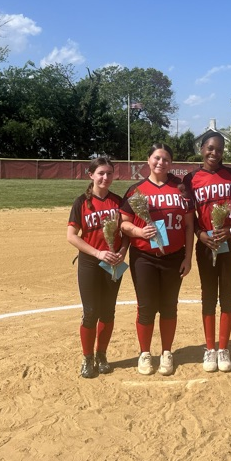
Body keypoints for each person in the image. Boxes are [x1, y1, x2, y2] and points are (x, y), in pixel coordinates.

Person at [120, 143, 194, 376]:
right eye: (156, 158)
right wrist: (139, 232)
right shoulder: (136, 190)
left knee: (169, 306)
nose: (161, 163)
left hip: (174, 257)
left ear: (171, 163)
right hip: (144, 257)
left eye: (165, 159)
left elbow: (190, 226)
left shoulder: (181, 190)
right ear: (148, 160)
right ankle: (144, 353)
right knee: (146, 307)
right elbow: (123, 223)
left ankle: (166, 352)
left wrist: (188, 258)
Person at [183, 132, 231, 372]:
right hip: (206, 244)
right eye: (210, 148)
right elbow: (188, 217)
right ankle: (210, 348)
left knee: (228, 294)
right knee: (208, 295)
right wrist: (200, 234)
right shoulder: (191, 179)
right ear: (201, 149)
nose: (215, 153)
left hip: (230, 244)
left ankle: (224, 348)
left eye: (219, 149)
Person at [67, 157, 128, 379]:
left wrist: (122, 252)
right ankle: (87, 358)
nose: (105, 177)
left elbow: (126, 233)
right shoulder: (81, 202)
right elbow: (71, 236)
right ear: (91, 175)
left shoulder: (119, 202)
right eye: (101, 173)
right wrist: (97, 252)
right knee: (91, 312)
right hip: (91, 262)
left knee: (108, 311)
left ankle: (101, 355)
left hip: (113, 262)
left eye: (109, 173)